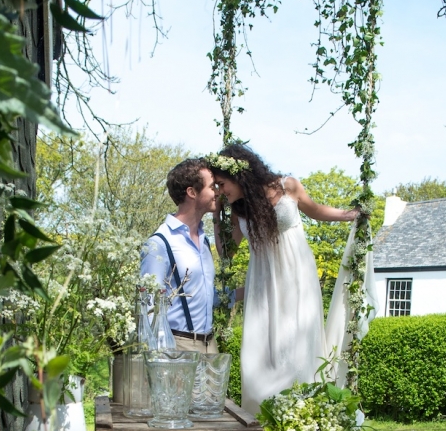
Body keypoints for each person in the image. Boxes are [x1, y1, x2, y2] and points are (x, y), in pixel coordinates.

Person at [207, 144, 359, 416]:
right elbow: (226, 252)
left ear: (239, 174)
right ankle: (262, 419)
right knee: (261, 352)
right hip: (263, 287)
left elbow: (316, 210)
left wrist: (352, 215)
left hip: (297, 279)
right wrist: (217, 216)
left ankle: (303, 418)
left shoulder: (287, 186)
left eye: (221, 184)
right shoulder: (239, 209)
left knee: (298, 348)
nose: (220, 191)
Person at [141, 158, 219, 353]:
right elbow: (148, 309)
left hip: (210, 345)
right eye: (212, 187)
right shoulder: (160, 243)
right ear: (192, 192)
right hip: (177, 347)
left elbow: (206, 296)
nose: (217, 192)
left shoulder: (204, 239)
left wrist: (252, 287)